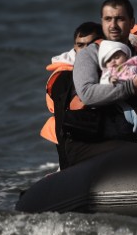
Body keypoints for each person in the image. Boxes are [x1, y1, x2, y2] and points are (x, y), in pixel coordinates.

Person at [67, 0, 137, 167]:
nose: (113, 25)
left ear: (132, 22)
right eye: (108, 19)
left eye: (120, 19)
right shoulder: (90, 55)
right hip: (97, 139)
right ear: (102, 22)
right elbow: (87, 94)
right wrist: (133, 86)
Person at [40, 22, 104, 169]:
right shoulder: (64, 78)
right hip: (73, 147)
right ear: (75, 48)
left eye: (90, 45)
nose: (85, 50)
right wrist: (66, 168)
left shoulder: (114, 63)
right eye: (81, 46)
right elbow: (61, 126)